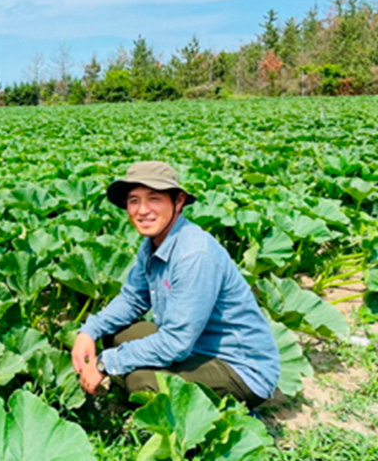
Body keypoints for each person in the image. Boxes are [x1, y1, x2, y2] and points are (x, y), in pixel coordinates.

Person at [71, 161, 280, 407]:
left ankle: (227, 414)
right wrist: (89, 331)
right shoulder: (153, 242)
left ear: (178, 202)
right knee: (117, 333)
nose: (143, 210)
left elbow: (176, 343)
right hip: (195, 347)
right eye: (134, 200)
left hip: (239, 369)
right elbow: (132, 299)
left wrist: (104, 363)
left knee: (142, 382)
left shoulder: (195, 254)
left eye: (154, 199)